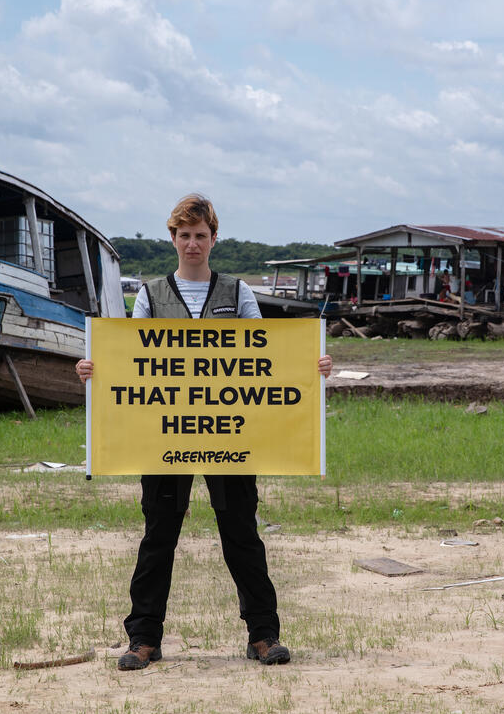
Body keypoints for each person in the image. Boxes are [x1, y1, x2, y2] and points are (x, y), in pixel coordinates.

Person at [76, 193, 333, 670]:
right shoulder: (150, 297)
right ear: (172, 239)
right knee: (159, 537)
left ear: (213, 239)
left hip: (229, 437)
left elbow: (267, 359)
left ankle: (263, 635)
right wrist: (96, 368)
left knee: (241, 535)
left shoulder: (239, 294)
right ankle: (143, 639)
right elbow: (131, 362)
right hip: (165, 437)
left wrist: (310, 364)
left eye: (200, 235)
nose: (192, 243)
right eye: (184, 235)